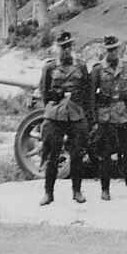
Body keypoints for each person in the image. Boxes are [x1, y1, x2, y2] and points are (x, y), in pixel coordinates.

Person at [38, 31, 91, 206]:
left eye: (69, 46)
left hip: (76, 113)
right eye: (63, 47)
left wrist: (87, 116)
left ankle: (76, 191)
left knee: (77, 154)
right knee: (52, 154)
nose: (67, 50)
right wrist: (55, 104)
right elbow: (44, 92)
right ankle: (48, 193)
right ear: (57, 48)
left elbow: (87, 91)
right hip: (55, 114)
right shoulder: (50, 67)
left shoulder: (81, 66)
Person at [90, 35, 127, 200]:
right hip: (106, 117)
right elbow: (91, 97)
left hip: (124, 115)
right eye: (110, 50)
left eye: (115, 49)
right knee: (105, 155)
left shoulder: (126, 67)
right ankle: (105, 190)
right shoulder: (98, 69)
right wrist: (94, 121)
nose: (113, 52)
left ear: (119, 49)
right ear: (105, 50)